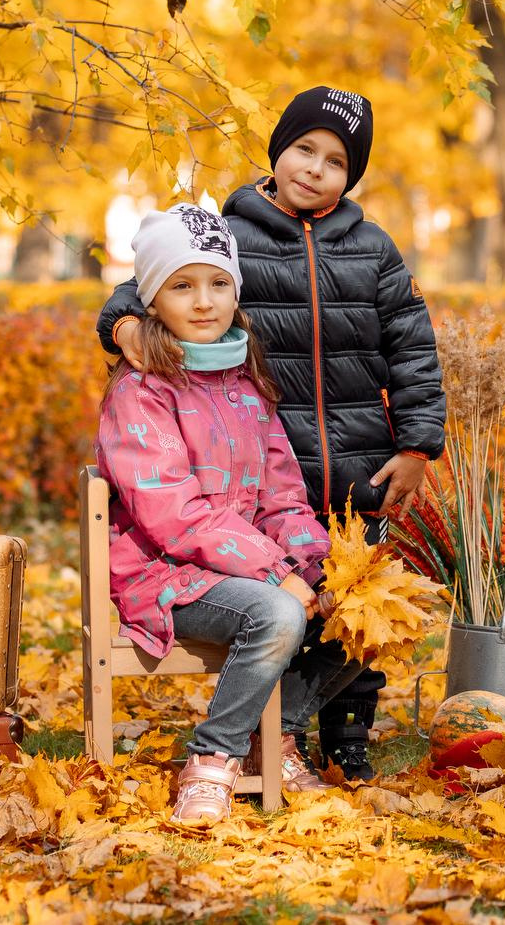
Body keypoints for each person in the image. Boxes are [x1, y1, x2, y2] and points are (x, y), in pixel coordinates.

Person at [99, 87, 445, 779]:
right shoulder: (230, 232)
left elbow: (412, 346)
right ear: (278, 149)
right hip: (260, 465)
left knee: (363, 603)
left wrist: (416, 445)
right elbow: (155, 283)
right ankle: (264, 740)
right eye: (304, 149)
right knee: (290, 603)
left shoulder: (373, 247)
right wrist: (123, 323)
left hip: (354, 463)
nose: (315, 168)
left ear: (351, 176)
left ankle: (338, 736)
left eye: (336, 161)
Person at [97, 203, 336, 820]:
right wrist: (275, 574)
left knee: (355, 606)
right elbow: (174, 514)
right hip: (163, 574)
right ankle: (212, 759)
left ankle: (273, 735)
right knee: (279, 612)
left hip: (241, 566)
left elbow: (281, 496)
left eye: (218, 283)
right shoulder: (141, 392)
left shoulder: (246, 383)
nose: (204, 302)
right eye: (182, 286)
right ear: (151, 301)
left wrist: (314, 565)